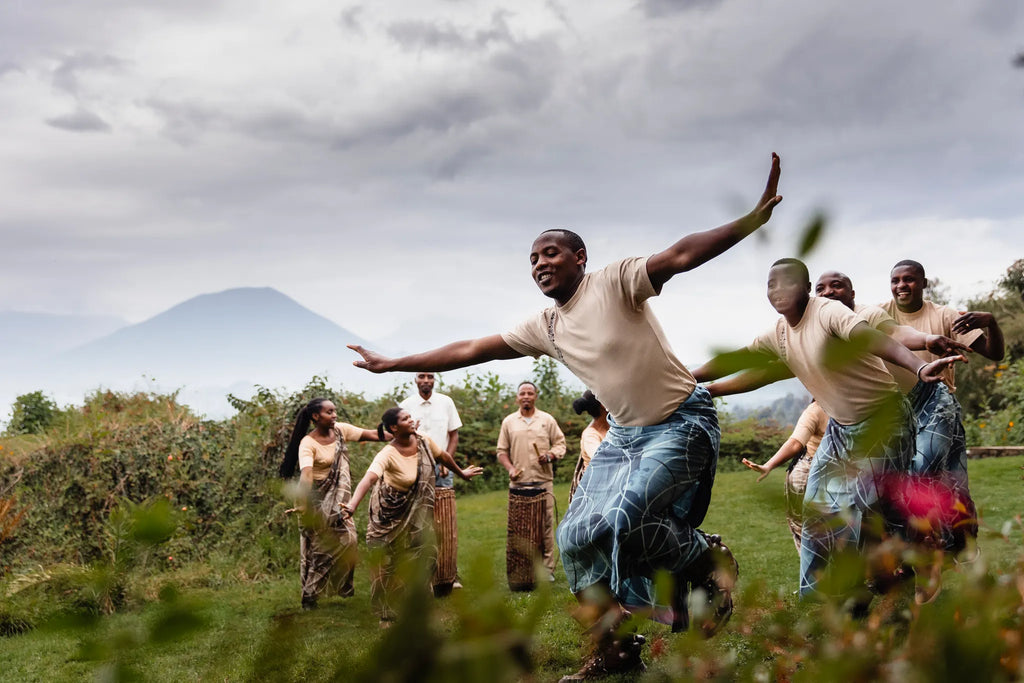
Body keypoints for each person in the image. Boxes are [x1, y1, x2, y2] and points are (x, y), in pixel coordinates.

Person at [349, 153, 782, 680]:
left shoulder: (616, 281)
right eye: (532, 259)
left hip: (681, 420)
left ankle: (705, 560)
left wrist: (751, 221)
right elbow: (471, 349)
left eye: (550, 252)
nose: (539, 264)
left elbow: (680, 255)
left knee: (627, 518)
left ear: (580, 257)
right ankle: (615, 651)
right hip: (625, 435)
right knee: (575, 535)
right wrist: (394, 362)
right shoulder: (546, 326)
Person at [694, 258, 964, 598]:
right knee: (817, 511)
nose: (779, 290)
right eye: (771, 284)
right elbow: (748, 364)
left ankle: (917, 561)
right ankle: (817, 596)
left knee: (873, 510)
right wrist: (696, 383)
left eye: (788, 282)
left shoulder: (827, 313)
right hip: (841, 428)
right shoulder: (779, 333)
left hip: (885, 421)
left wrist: (918, 365)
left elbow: (876, 338)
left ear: (806, 289)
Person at [344, 407, 482, 625]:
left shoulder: (424, 441)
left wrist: (461, 473)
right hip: (390, 513)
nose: (411, 420)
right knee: (387, 562)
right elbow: (368, 479)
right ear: (393, 427)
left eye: (410, 416)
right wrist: (352, 504)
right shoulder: (387, 454)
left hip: (418, 511)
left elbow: (443, 456)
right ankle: (387, 613)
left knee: (427, 554)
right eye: (405, 418)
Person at [278, 397, 380, 610]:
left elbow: (371, 434)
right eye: (329, 412)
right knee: (320, 550)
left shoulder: (340, 431)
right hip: (315, 500)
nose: (334, 415)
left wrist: (397, 433)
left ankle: (341, 585)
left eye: (334, 411)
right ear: (316, 416)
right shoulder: (307, 443)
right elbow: (306, 475)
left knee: (349, 540)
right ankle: (309, 596)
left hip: (338, 502)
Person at [399, 372, 465, 590]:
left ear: (435, 380)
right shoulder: (406, 405)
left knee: (444, 520)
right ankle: (420, 574)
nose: (426, 380)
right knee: (418, 519)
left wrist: (447, 462)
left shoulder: (446, 402)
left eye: (430, 376)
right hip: (414, 467)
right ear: (415, 380)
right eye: (422, 376)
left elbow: (453, 435)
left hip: (441, 466)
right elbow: (400, 437)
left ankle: (450, 573)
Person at [497, 380, 567, 581]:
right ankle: (523, 568)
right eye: (523, 393)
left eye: (530, 393)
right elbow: (501, 451)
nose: (526, 396)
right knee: (520, 528)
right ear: (517, 398)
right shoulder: (509, 422)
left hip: (543, 481)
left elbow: (560, 444)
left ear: (536, 396)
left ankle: (547, 570)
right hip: (519, 484)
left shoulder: (547, 420)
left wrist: (550, 456)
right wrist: (510, 468)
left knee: (545, 526)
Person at [742, 400, 827, 552]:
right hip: (811, 476)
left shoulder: (842, 406)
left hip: (832, 474)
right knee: (810, 534)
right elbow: (795, 442)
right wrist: (768, 465)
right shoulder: (818, 410)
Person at [568, 390, 608, 504]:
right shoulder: (590, 435)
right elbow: (602, 459)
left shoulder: (610, 429)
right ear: (603, 405)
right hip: (596, 492)